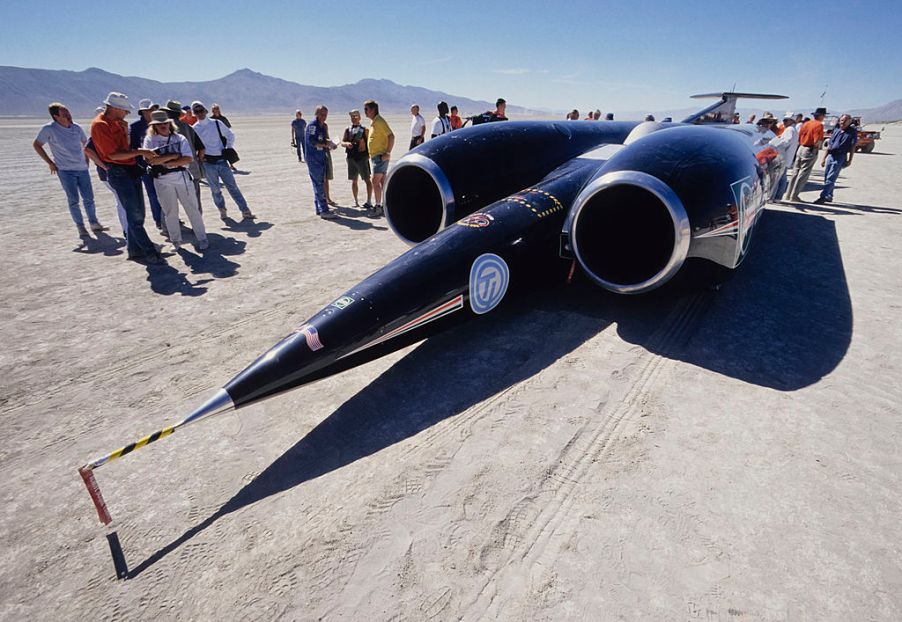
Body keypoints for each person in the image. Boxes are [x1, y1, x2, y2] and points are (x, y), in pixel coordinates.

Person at [90, 92, 164, 264]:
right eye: (124, 110)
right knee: (135, 216)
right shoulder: (100, 125)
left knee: (138, 213)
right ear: (114, 108)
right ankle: (150, 252)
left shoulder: (118, 123)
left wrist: (125, 132)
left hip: (130, 170)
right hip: (118, 172)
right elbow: (114, 155)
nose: (127, 114)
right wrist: (140, 151)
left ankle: (133, 250)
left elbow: (125, 147)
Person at [33, 101, 106, 237]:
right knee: (73, 200)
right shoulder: (49, 129)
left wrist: (86, 160)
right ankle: (81, 227)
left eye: (68, 111)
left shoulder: (76, 128)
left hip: (82, 169)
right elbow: (37, 145)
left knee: (89, 198)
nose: (68, 115)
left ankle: (94, 223)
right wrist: (49, 162)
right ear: (56, 116)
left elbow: (86, 144)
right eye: (64, 113)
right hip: (65, 171)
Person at [142, 110, 208, 250]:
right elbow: (150, 160)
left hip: (181, 177)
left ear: (169, 123)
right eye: (159, 124)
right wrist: (174, 156)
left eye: (165, 123)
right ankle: (176, 241)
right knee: (170, 212)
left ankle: (202, 238)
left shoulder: (180, 138)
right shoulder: (149, 140)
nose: (163, 126)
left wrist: (164, 160)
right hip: (162, 180)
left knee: (192, 209)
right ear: (154, 126)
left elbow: (188, 158)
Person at [191, 100, 256, 220]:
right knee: (215, 190)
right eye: (196, 111)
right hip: (208, 163)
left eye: (201, 110)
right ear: (194, 113)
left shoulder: (216, 123)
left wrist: (229, 147)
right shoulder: (194, 129)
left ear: (205, 110)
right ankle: (222, 210)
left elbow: (230, 135)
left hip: (222, 160)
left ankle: (245, 211)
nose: (199, 113)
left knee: (232, 187)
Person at [129, 98, 164, 230]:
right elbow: (132, 148)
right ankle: (159, 219)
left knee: (166, 192)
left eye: (154, 109)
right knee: (153, 194)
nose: (153, 111)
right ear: (143, 112)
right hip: (145, 168)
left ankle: (169, 217)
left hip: (163, 165)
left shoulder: (160, 125)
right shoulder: (135, 128)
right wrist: (140, 163)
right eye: (150, 109)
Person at [164, 100, 205, 212]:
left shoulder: (163, 128)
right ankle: (198, 226)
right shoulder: (188, 127)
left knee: (169, 202)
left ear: (167, 113)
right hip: (191, 169)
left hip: (170, 171)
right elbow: (201, 148)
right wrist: (198, 162)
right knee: (195, 200)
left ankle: (168, 227)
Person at [785, 107, 827, 202]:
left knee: (795, 172)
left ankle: (788, 194)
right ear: (821, 116)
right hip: (810, 149)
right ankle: (794, 195)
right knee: (803, 173)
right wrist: (816, 149)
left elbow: (800, 136)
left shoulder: (806, 123)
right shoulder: (819, 125)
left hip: (801, 147)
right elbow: (817, 141)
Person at [815, 113, 857, 205]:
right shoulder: (837, 129)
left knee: (831, 177)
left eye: (845, 120)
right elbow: (829, 145)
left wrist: (850, 160)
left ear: (850, 122)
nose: (843, 122)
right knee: (827, 177)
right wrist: (824, 158)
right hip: (831, 155)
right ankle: (829, 195)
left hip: (840, 156)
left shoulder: (852, 132)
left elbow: (853, 146)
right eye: (841, 120)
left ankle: (823, 197)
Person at [305, 105, 337, 219]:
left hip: (321, 157)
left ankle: (319, 208)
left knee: (318, 183)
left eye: (325, 115)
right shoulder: (313, 126)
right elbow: (311, 141)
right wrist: (325, 145)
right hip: (313, 158)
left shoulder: (323, 127)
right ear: (317, 114)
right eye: (322, 114)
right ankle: (324, 210)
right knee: (319, 184)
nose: (324, 117)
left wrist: (330, 143)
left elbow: (323, 139)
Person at [364, 99, 394, 217]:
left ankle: (378, 207)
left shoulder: (380, 122)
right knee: (382, 182)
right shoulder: (374, 122)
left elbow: (391, 136)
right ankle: (386, 206)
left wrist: (387, 152)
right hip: (376, 157)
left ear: (373, 110)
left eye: (366, 109)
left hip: (380, 157)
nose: (365, 112)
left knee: (374, 182)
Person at [341, 109, 373, 209]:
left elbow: (369, 144)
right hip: (351, 158)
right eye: (352, 116)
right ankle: (355, 201)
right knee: (354, 180)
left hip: (362, 157)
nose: (353, 118)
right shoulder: (348, 129)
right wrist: (347, 144)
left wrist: (368, 155)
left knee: (367, 179)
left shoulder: (364, 130)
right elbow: (342, 142)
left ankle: (369, 201)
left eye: (355, 116)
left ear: (359, 117)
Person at [769, 113, 798, 201]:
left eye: (786, 120)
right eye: (784, 120)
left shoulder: (790, 130)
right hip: (785, 157)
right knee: (782, 177)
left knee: (777, 178)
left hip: (783, 157)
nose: (784, 122)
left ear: (791, 121)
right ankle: (778, 197)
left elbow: (786, 142)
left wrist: (774, 142)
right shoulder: (792, 130)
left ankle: (773, 197)